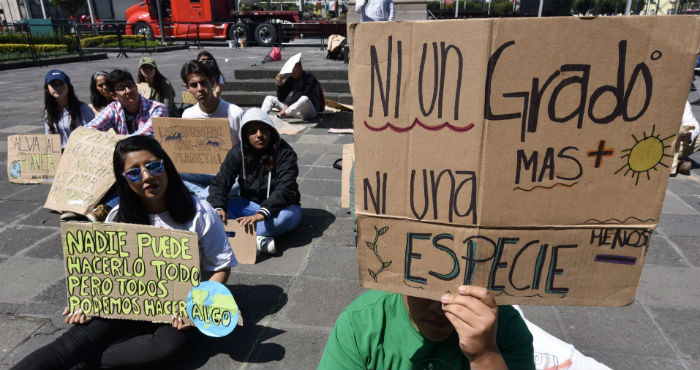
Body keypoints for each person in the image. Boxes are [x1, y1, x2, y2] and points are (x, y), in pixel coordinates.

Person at [10, 136, 237, 370]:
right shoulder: (117, 216)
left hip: (177, 309)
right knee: (70, 344)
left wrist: (195, 306)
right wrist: (87, 300)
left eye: (153, 166)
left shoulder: (200, 212)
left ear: (165, 165)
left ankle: (87, 363)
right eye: (134, 173)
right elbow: (104, 272)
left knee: (169, 346)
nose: (147, 176)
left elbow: (220, 266)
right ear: (124, 180)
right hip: (128, 302)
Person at [318, 286, 535, 370]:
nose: (438, 307)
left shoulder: (505, 327)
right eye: (424, 288)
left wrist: (485, 355)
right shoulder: (361, 323)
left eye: (456, 291)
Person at [207, 108, 302, 255]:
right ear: (245, 135)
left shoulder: (285, 153)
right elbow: (221, 181)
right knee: (211, 207)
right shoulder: (238, 152)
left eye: (263, 130)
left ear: (271, 131)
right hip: (249, 204)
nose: (259, 135)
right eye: (253, 131)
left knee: (287, 218)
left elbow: (286, 188)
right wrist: (218, 207)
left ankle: (234, 235)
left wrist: (262, 214)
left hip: (279, 208)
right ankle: (258, 238)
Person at [180, 60, 244, 199]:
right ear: (187, 88)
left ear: (213, 82)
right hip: (202, 171)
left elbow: (247, 153)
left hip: (231, 173)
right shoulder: (187, 115)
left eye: (203, 82)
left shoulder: (235, 113)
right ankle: (208, 195)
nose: (200, 88)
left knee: (244, 179)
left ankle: (200, 197)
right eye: (193, 85)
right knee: (169, 173)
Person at [86, 69, 166, 137]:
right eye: (122, 88)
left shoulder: (158, 108)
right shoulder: (113, 109)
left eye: (130, 85)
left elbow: (144, 136)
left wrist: (115, 141)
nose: (129, 91)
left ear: (136, 87)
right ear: (114, 96)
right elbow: (88, 131)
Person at [43, 69, 94, 150]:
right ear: (48, 88)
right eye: (54, 85)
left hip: (78, 154)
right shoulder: (48, 112)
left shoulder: (83, 109)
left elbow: (93, 135)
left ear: (68, 86)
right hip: (58, 156)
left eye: (61, 84)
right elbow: (48, 138)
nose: (58, 88)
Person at [671, 100, 699, 175]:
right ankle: (675, 164)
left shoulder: (681, 99)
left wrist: (689, 134)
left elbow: (692, 124)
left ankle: (672, 163)